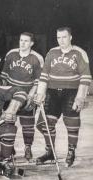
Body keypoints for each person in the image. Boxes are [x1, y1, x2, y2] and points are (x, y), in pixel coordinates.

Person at [34, 27, 92, 167]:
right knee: (44, 124)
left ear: (70, 37)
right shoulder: (52, 52)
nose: (61, 40)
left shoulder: (79, 53)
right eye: (58, 37)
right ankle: (50, 152)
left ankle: (71, 152)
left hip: (71, 91)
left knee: (71, 124)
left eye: (64, 37)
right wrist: (41, 93)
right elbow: (44, 75)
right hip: (52, 92)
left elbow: (85, 77)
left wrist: (80, 97)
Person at [0, 32, 44, 161]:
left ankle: (28, 147)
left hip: (27, 93)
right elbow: (4, 76)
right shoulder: (11, 54)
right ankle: (10, 148)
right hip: (12, 93)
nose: (22, 43)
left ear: (32, 43)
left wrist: (31, 95)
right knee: (9, 120)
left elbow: (38, 81)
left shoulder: (37, 58)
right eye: (21, 40)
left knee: (27, 124)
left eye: (26, 41)